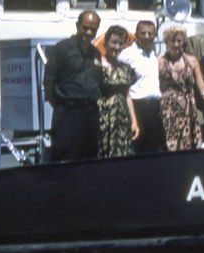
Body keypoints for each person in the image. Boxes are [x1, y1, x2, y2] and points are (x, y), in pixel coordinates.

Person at [44, 10, 103, 161]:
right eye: (85, 27)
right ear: (77, 26)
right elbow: (49, 82)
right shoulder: (61, 49)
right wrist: (61, 104)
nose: (89, 32)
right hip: (68, 113)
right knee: (65, 157)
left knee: (89, 156)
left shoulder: (96, 53)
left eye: (93, 29)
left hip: (90, 114)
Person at [159, 26, 204, 151]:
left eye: (179, 41)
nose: (176, 44)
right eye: (172, 41)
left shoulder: (192, 61)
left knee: (189, 149)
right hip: (168, 112)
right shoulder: (159, 63)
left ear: (183, 41)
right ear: (166, 42)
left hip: (188, 111)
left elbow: (203, 89)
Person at [118, 20, 165, 154]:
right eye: (143, 33)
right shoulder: (126, 55)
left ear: (154, 36)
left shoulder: (152, 54)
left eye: (150, 34)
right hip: (137, 108)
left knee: (155, 151)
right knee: (137, 150)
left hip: (155, 109)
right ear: (136, 34)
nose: (146, 36)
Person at [98, 25, 139, 158]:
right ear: (105, 43)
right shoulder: (95, 65)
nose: (117, 47)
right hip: (102, 117)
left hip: (121, 118)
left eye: (120, 43)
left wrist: (134, 121)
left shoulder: (125, 68)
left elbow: (127, 95)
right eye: (113, 42)